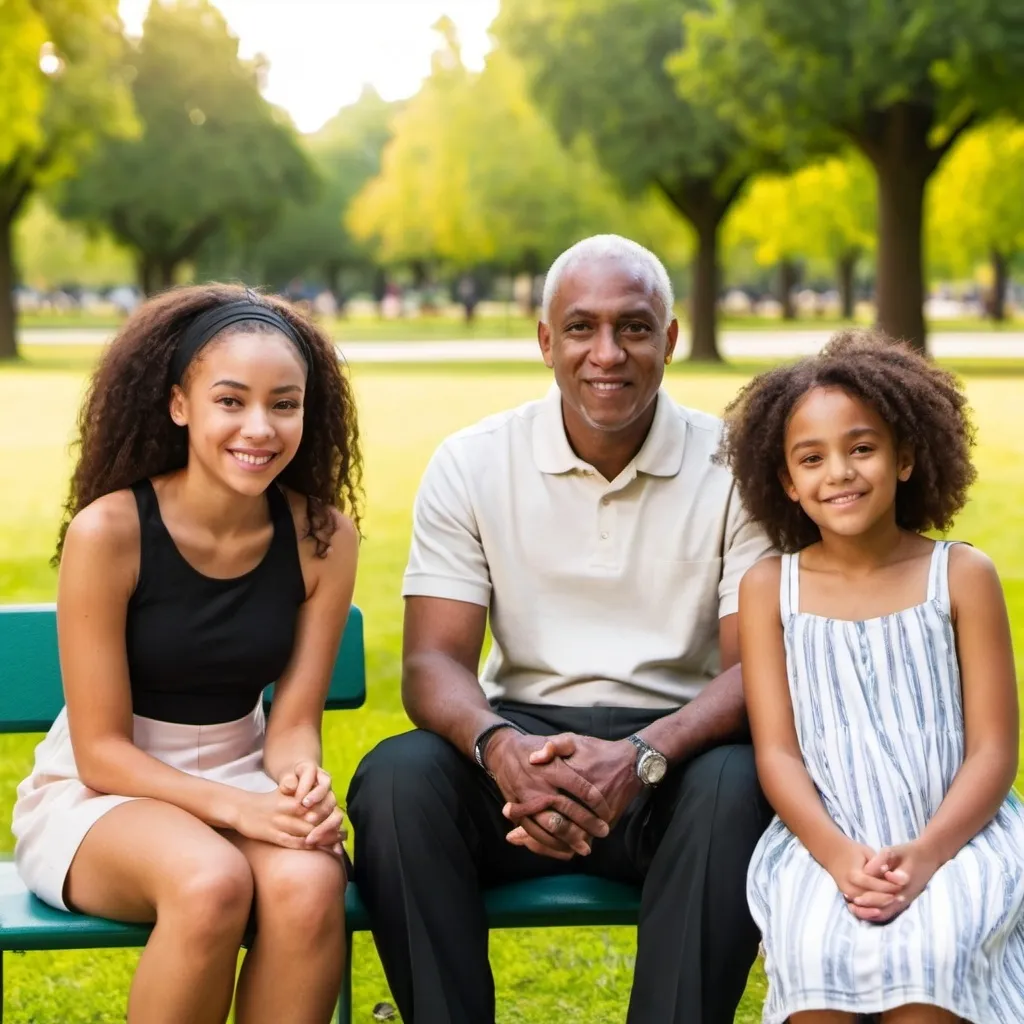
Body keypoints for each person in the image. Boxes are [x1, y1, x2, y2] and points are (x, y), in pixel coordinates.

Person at [348, 234, 776, 1024]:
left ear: (671, 340)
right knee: (398, 781)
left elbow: (756, 673)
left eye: (635, 327)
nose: (606, 353)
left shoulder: (737, 465)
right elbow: (432, 665)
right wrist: (502, 752)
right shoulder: (472, 462)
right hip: (520, 750)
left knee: (739, 783)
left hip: (676, 762)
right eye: (580, 328)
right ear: (545, 341)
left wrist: (643, 758)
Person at [12, 284, 362, 1024]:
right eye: (230, 401)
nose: (260, 428)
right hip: (102, 793)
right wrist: (240, 809)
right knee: (211, 881)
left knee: (310, 884)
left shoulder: (323, 538)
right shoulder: (109, 533)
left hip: (241, 769)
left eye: (284, 404)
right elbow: (102, 750)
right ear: (180, 405)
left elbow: (293, 721)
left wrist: (300, 790)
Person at [717, 330, 1024, 1023]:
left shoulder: (962, 576)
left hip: (955, 837)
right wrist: (834, 855)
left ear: (906, 458)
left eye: (862, 448)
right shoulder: (771, 588)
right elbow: (778, 752)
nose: (840, 473)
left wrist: (925, 854)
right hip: (825, 841)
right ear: (787, 483)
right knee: (817, 958)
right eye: (812, 459)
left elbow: (994, 751)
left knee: (933, 961)